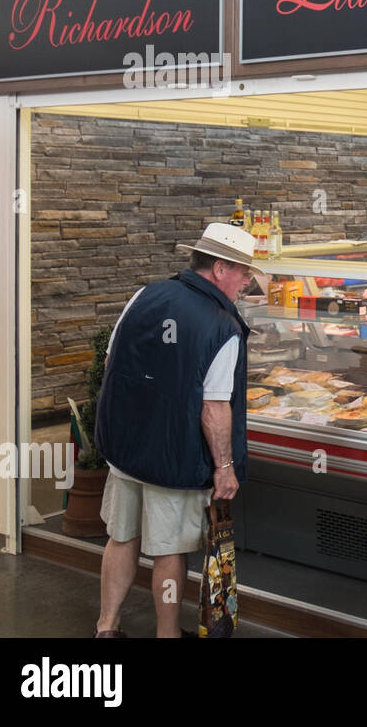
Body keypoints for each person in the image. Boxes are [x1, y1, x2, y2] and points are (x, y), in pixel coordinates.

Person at [94, 223, 257, 638]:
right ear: (220, 269)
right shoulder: (223, 325)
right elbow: (214, 405)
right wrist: (224, 466)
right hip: (175, 456)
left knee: (121, 537)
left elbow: (115, 359)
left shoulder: (144, 295)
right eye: (243, 272)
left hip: (127, 446)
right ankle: (167, 635)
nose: (247, 281)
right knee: (169, 552)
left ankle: (106, 628)